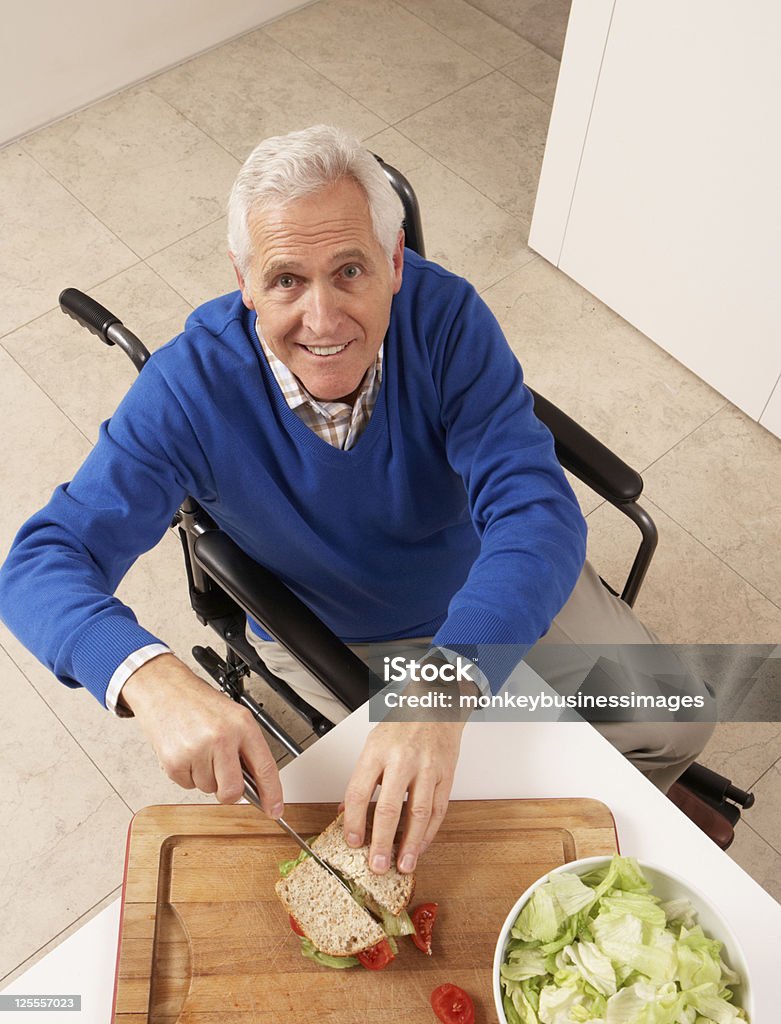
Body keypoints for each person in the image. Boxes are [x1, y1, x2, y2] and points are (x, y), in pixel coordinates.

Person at [0, 125, 713, 877]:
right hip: (342, 631)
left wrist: (440, 690)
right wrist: (146, 673)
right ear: (243, 281)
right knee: (441, 841)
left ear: (395, 263)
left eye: (349, 271)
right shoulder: (185, 390)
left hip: (489, 584)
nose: (322, 319)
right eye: (284, 280)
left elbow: (534, 514)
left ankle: (621, 814)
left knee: (675, 722)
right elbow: (40, 564)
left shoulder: (446, 318)